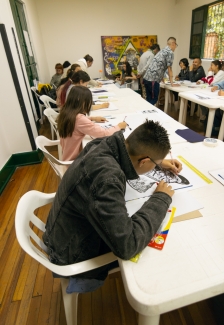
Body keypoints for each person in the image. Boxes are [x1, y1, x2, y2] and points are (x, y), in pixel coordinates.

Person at [43, 119, 182, 293]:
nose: (155, 167)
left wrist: (159, 162)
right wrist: (160, 198)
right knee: (157, 255)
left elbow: (133, 154)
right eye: (154, 164)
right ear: (144, 161)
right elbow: (127, 245)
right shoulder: (107, 178)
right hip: (70, 252)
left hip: (61, 229)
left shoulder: (102, 143)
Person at [57, 85, 127, 160]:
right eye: (89, 101)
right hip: (75, 162)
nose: (90, 104)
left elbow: (77, 122)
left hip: (67, 155)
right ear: (81, 101)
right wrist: (119, 126)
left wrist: (92, 118)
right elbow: (104, 134)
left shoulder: (66, 112)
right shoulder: (79, 119)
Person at [143, 37, 177, 105]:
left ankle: (147, 113)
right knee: (154, 99)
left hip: (147, 78)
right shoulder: (170, 52)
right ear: (173, 44)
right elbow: (169, 68)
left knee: (149, 99)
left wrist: (162, 78)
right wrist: (172, 83)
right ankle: (145, 112)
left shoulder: (162, 50)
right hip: (153, 79)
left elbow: (159, 65)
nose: (175, 47)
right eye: (176, 45)